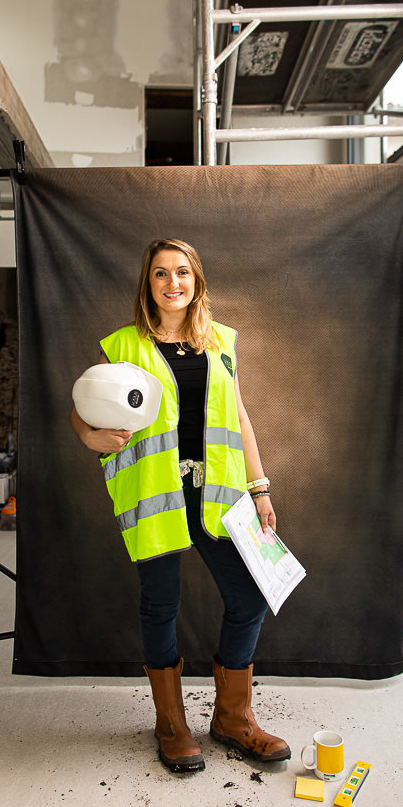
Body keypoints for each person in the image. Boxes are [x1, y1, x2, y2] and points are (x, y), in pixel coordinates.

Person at [71, 238, 290, 773]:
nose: (173, 283)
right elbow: (83, 404)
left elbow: (239, 419)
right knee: (161, 604)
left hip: (218, 496)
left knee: (249, 597)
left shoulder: (220, 341)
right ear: (148, 283)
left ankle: (233, 719)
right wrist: (86, 436)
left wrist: (260, 488)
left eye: (183, 273)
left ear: (197, 282)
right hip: (158, 497)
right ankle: (170, 722)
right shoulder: (122, 345)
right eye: (162, 274)